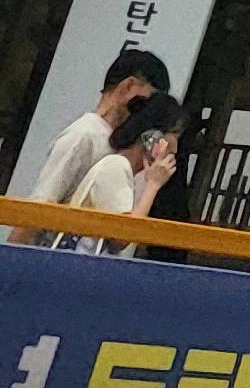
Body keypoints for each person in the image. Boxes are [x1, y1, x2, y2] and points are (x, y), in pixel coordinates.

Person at [29, 48, 173, 207]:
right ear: (128, 87)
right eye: (150, 99)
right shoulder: (84, 135)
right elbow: (40, 204)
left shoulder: (127, 145)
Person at [71, 95, 182, 247]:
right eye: (174, 136)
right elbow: (123, 236)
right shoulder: (116, 166)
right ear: (152, 137)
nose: (175, 149)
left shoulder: (130, 173)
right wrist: (153, 185)